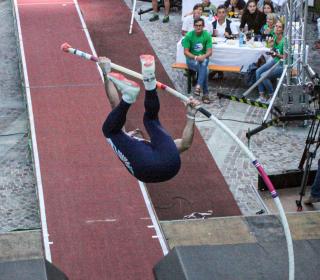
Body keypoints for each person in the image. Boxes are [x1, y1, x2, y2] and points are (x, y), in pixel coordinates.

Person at [98, 55, 201, 183]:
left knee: (150, 120)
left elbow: (186, 144)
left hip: (170, 167)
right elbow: (114, 104)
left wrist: (191, 116)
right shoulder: (125, 141)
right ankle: (146, 85)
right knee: (118, 128)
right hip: (153, 166)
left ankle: (147, 86)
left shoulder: (126, 140)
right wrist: (106, 73)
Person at [183, 18, 213, 104]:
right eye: (196, 25)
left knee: (204, 64)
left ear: (203, 26)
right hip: (192, 60)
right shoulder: (189, 35)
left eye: (200, 25)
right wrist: (196, 57)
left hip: (203, 58)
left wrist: (203, 56)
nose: (198, 27)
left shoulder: (207, 35)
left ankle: (198, 86)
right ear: (193, 26)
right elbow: (186, 52)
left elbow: (209, 52)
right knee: (205, 69)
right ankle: (205, 93)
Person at [255, 20, 285, 103]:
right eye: (276, 26)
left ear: (282, 30)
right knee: (258, 71)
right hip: (276, 61)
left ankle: (272, 96)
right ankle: (262, 96)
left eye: (279, 27)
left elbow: (286, 58)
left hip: (283, 65)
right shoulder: (274, 38)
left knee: (264, 75)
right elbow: (273, 54)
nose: (277, 28)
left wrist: (275, 53)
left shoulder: (285, 41)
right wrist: (272, 48)